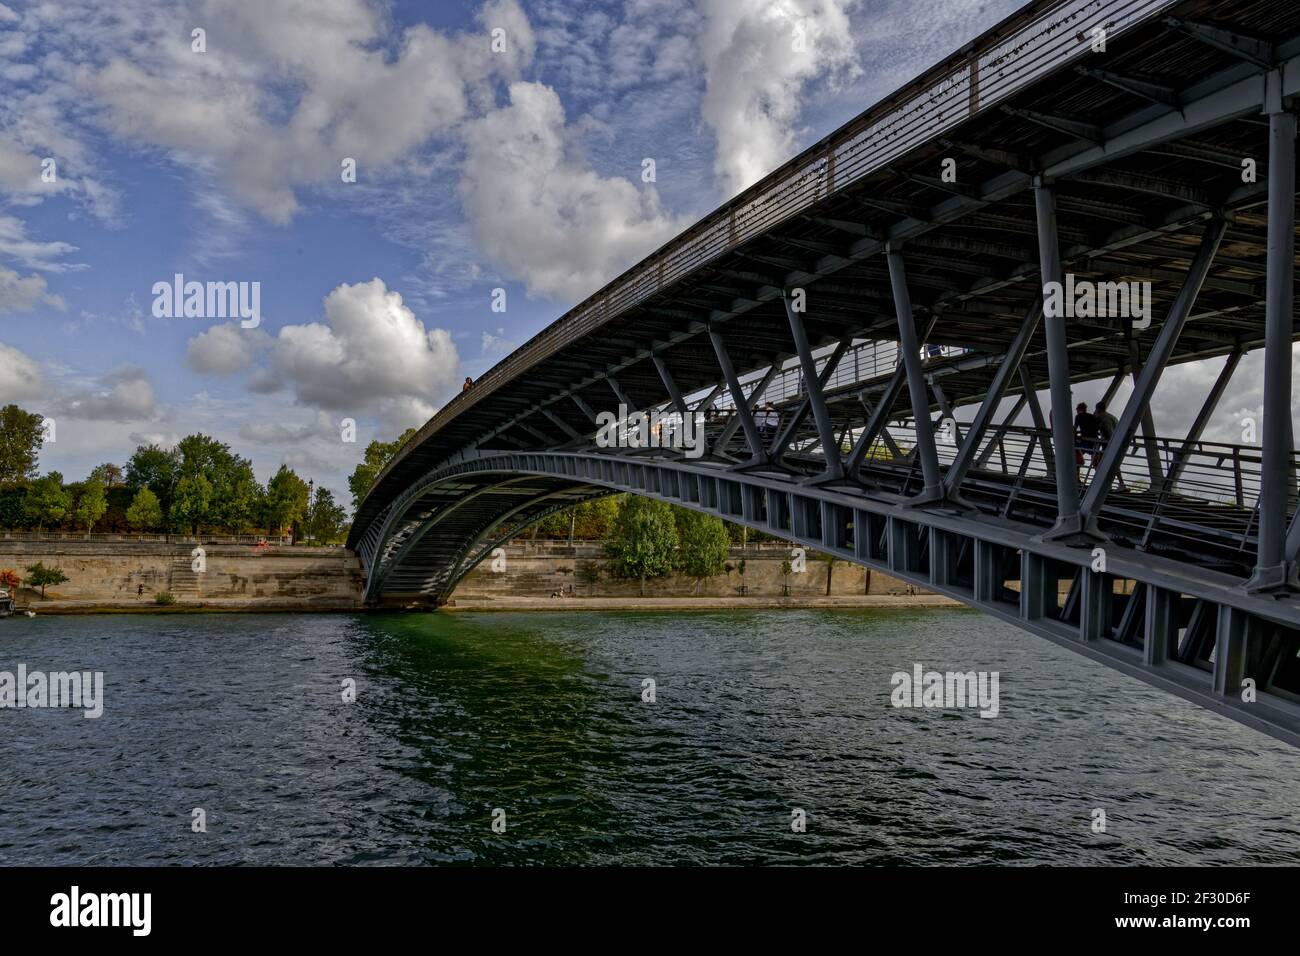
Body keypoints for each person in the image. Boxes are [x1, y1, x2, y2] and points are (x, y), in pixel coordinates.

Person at [1074, 401, 1099, 475]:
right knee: (1095, 461)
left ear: (1078, 409)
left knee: (1077, 457)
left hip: (1085, 441)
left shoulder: (1078, 416)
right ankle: (1098, 476)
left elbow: (1075, 428)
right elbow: (1096, 428)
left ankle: (1076, 477)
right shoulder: (1092, 416)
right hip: (1094, 440)